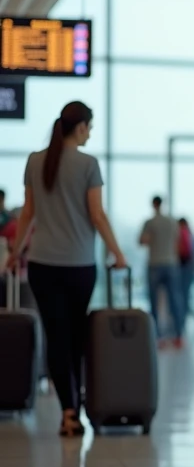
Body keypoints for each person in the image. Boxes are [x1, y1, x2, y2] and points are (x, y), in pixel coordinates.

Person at [5, 102, 127, 437]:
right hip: (79, 265)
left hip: (43, 264)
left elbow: (27, 214)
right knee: (75, 337)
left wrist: (15, 254)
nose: (91, 132)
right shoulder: (88, 164)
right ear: (82, 128)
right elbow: (97, 216)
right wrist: (118, 253)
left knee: (56, 337)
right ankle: (77, 403)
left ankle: (69, 411)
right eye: (90, 126)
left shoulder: (35, 160)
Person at [140, 196, 186, 349]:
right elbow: (177, 242)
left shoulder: (150, 222)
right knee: (175, 300)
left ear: (153, 205)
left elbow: (143, 241)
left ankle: (158, 337)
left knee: (154, 301)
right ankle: (178, 336)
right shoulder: (173, 222)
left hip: (155, 263)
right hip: (172, 263)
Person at [178, 217, 194, 327]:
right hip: (187, 265)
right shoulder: (188, 233)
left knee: (181, 293)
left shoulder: (182, 232)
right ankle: (183, 315)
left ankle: (182, 316)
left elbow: (184, 250)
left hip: (182, 265)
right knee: (185, 292)